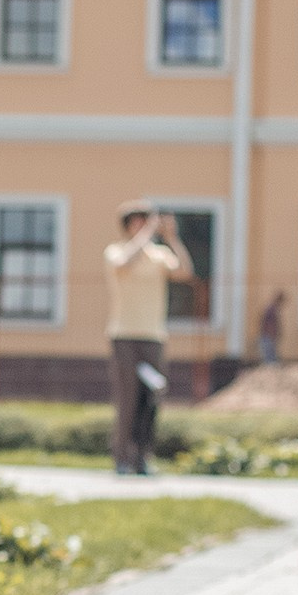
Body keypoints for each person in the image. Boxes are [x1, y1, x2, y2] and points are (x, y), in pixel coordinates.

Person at [104, 201, 193, 475]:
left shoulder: (158, 255)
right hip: (124, 335)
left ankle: (142, 457)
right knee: (127, 398)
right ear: (128, 226)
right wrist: (145, 235)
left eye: (147, 221)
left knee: (150, 399)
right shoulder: (117, 251)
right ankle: (122, 457)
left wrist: (171, 238)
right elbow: (123, 263)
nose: (144, 226)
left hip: (153, 336)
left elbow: (185, 272)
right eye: (138, 222)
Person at [258, 290, 287, 364]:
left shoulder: (273, 309)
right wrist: (271, 333)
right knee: (270, 359)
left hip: (270, 336)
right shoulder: (271, 309)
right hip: (268, 337)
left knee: (272, 357)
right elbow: (265, 322)